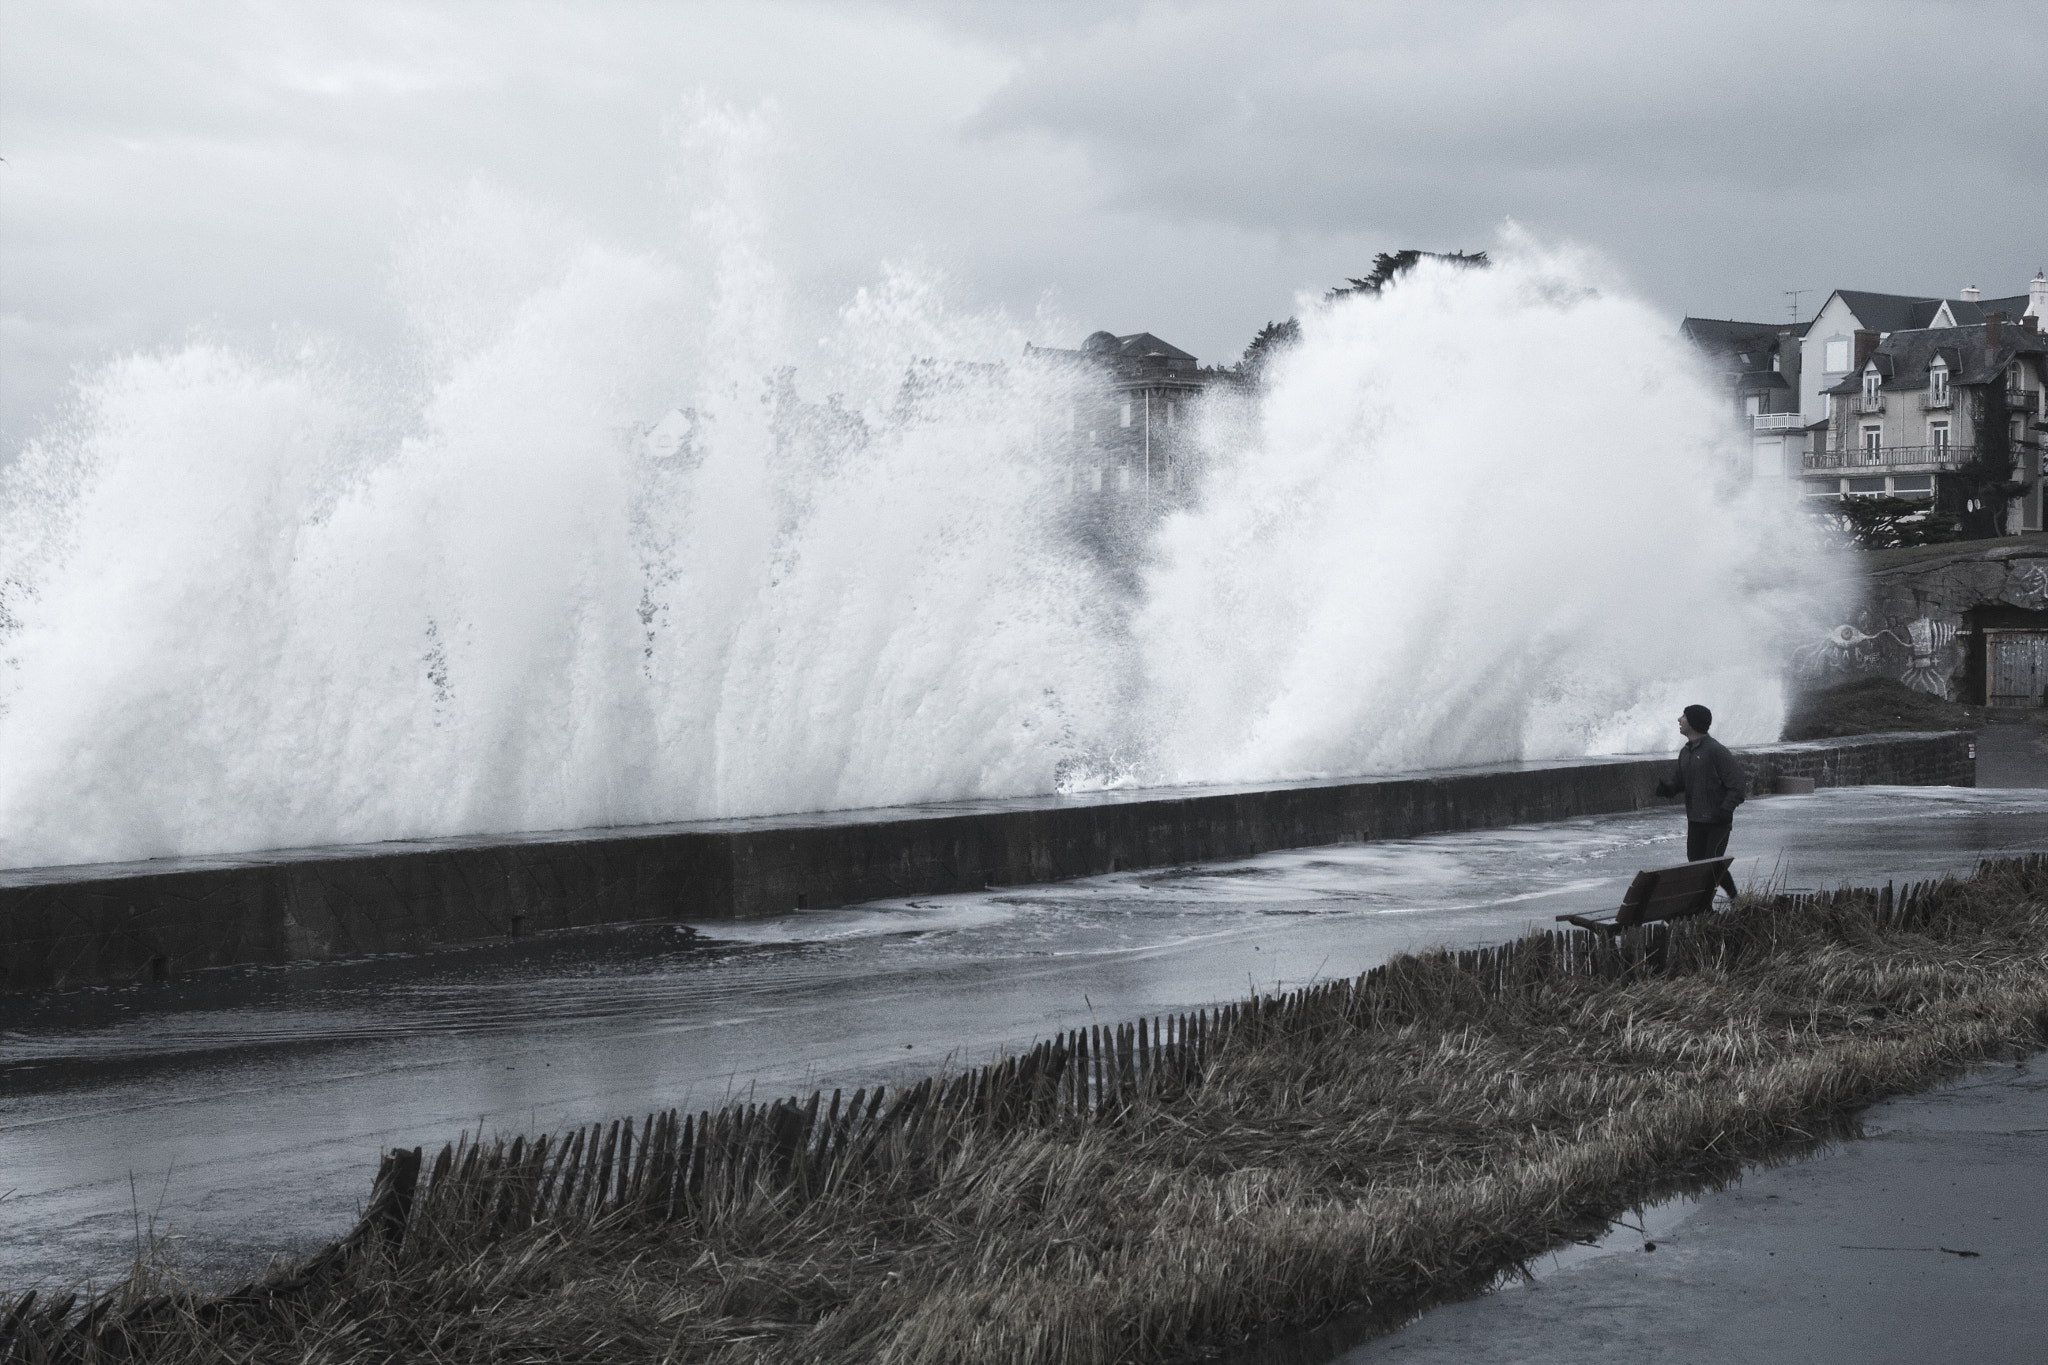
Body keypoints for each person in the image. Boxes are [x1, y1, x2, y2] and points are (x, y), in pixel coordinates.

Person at [1655, 703, 1744, 901]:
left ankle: (1733, 898)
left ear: (1693, 722)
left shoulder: (1715, 751)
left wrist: (1725, 810)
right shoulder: (1686, 752)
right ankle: (1710, 905)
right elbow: (1681, 782)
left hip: (1717, 821)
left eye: (1684, 716)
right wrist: (1668, 789)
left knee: (1710, 865)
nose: (1679, 719)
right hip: (1696, 819)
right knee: (1696, 865)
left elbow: (1737, 785)